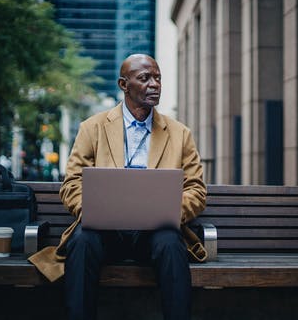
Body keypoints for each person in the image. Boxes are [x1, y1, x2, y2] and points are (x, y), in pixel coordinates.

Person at [29, 54, 207, 320]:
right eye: (145, 78)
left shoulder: (180, 134)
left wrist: (168, 211)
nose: (155, 84)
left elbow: (196, 189)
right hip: (104, 232)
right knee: (82, 241)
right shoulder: (93, 128)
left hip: (154, 233)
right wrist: (93, 210)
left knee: (171, 243)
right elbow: (71, 184)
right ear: (124, 84)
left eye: (157, 78)